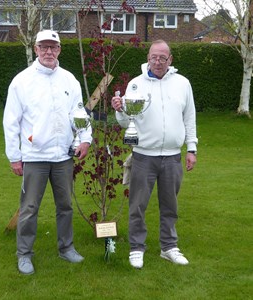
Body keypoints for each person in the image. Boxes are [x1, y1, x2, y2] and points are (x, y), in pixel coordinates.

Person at [3, 30, 92, 275]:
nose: (49, 51)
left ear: (60, 50)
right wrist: (14, 156)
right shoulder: (22, 81)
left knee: (65, 206)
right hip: (34, 157)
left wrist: (85, 139)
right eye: (44, 47)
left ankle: (67, 248)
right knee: (30, 208)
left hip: (63, 156)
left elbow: (79, 114)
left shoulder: (69, 80)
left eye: (53, 47)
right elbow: (11, 121)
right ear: (36, 49)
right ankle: (24, 254)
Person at [111, 40, 197, 269]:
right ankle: (136, 248)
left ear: (170, 60)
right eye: (154, 57)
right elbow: (125, 122)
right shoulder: (136, 84)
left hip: (172, 156)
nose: (158, 62)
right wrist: (119, 110)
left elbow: (189, 117)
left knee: (170, 206)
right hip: (143, 156)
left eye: (163, 58)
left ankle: (169, 247)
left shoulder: (182, 83)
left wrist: (192, 148)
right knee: (137, 205)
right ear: (148, 58)